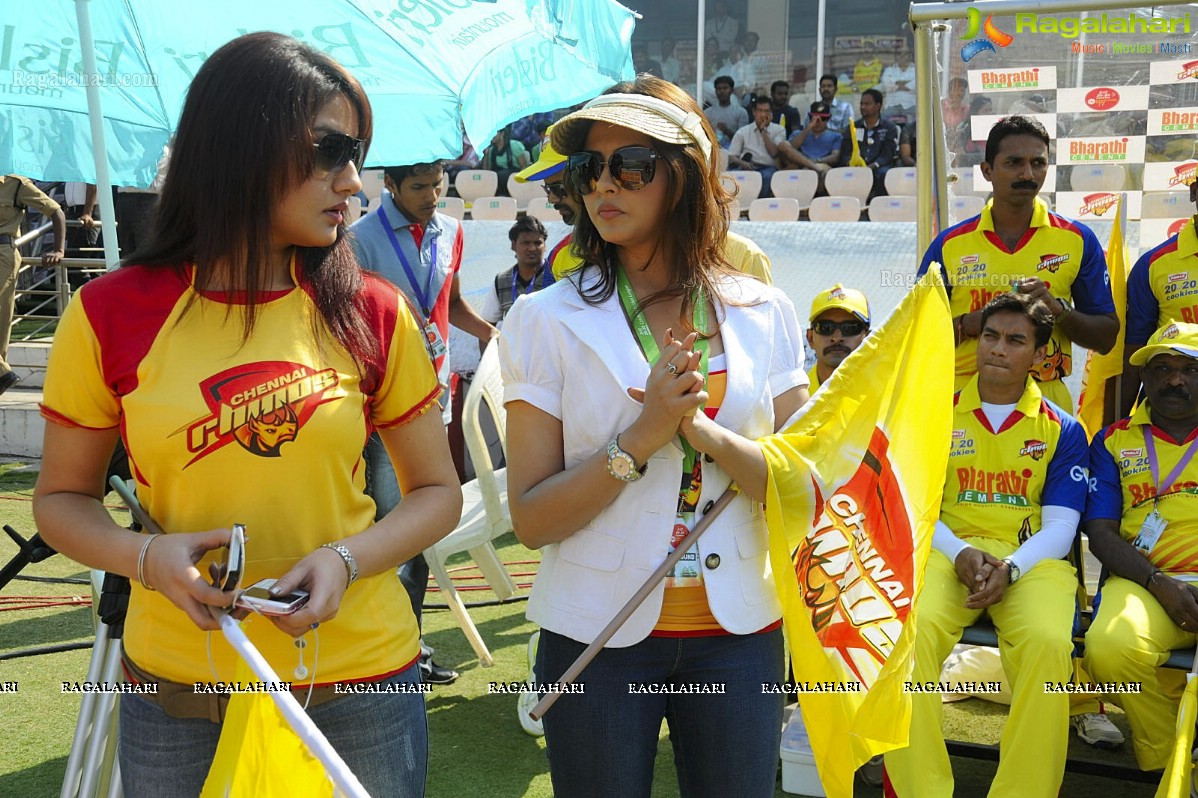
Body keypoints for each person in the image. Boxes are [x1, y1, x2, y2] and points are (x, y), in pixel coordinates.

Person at [31, 33, 462, 798]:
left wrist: (347, 560)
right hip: (175, 685)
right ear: (242, 146)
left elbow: (437, 493)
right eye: (331, 151)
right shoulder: (109, 315)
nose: (354, 182)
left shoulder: (374, 312)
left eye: (358, 153)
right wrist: (143, 560)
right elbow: (63, 499)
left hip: (360, 677)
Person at [502, 74, 809, 797]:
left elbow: (805, 482)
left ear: (687, 178)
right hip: (595, 632)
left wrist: (704, 434)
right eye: (589, 169)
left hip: (739, 632)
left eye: (631, 164)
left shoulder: (766, 310)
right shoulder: (543, 319)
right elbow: (532, 520)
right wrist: (639, 441)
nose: (605, 183)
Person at [884, 292, 1088, 798]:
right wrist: (959, 553)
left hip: (1030, 561)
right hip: (941, 548)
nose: (998, 348)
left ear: (1040, 357)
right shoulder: (936, 411)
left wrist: (1011, 568)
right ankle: (921, 790)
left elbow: (1061, 528)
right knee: (907, 638)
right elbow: (914, 505)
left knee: (1047, 644)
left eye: (1016, 340)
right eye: (990, 336)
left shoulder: (1063, 429)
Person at [350, 159, 498, 684]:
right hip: (387, 410)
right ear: (389, 185)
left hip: (437, 399)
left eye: (439, 184)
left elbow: (449, 302)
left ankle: (406, 648)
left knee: (421, 533)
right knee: (397, 532)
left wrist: (488, 334)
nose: (433, 195)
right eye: (419, 186)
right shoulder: (359, 240)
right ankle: (395, 655)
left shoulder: (451, 231)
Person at [916, 115, 1118, 409]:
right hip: (961, 402)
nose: (1028, 174)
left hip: (1045, 403)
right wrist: (970, 323)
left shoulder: (1077, 240)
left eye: (1038, 163)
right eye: (1014, 163)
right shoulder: (949, 245)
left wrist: (1057, 309)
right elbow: (916, 337)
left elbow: (1106, 338)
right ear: (987, 170)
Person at [1084, 321, 1198, 771]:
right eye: (1162, 368)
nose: (1175, 380)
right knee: (1110, 650)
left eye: (1189, 369)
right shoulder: (1113, 440)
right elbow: (1101, 531)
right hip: (1147, 584)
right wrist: (1158, 583)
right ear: (1144, 379)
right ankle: (1171, 757)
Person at [1121, 177, 1198, 415]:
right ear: (1194, 192)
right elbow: (1134, 349)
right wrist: (1117, 423)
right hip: (1174, 403)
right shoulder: (1153, 265)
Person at [0, 173, 65, 395]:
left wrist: (58, 250)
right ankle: (2, 373)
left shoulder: (15, 184)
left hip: (3, 253)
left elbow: (56, 211)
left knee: (2, 317)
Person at [480, 216, 553, 326]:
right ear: (513, 245)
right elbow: (488, 325)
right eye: (526, 243)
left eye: (537, 243)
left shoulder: (555, 276)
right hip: (513, 343)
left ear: (545, 246)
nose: (532, 248)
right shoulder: (501, 280)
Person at [837, 88, 899, 199]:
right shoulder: (853, 127)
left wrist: (871, 166)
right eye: (861, 104)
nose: (863, 107)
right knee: (840, 173)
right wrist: (851, 164)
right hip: (855, 167)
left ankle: (878, 207)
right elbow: (846, 152)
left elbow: (887, 155)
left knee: (884, 174)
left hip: (877, 167)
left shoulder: (889, 127)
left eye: (867, 104)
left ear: (878, 106)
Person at [805, 284, 870, 390]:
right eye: (825, 327)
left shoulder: (887, 395)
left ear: (868, 339)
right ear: (810, 338)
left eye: (850, 328)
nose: (837, 337)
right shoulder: (793, 400)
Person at [778, 101, 843, 194]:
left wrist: (816, 161)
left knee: (813, 171)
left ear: (828, 118)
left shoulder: (835, 136)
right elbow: (788, 149)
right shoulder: (799, 134)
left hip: (822, 165)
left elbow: (835, 156)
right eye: (814, 118)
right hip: (802, 166)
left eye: (823, 118)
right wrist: (809, 128)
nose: (818, 122)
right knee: (783, 145)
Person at [728, 96, 785, 196]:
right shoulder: (743, 131)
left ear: (771, 113)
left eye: (766, 111)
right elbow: (732, 156)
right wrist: (743, 163)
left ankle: (761, 207)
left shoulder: (779, 130)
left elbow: (774, 152)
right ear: (754, 112)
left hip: (768, 167)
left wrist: (763, 131)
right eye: (760, 111)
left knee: (766, 176)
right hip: (748, 166)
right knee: (731, 176)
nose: (763, 114)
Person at [481, 126, 530, 195]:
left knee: (501, 175)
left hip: (513, 175)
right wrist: (485, 155)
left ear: (502, 134)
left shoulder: (514, 145)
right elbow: (486, 172)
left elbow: (523, 166)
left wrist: (519, 183)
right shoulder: (491, 150)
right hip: (497, 179)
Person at [704, 76, 749, 149]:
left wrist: (727, 131)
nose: (722, 91)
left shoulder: (741, 112)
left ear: (731, 90)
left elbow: (744, 139)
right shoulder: (707, 113)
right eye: (719, 89)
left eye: (725, 88)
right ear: (715, 91)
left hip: (735, 153)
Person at [880, 49, 916, 120]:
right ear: (896, 56)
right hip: (892, 105)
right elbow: (886, 85)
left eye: (905, 54)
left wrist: (895, 84)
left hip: (911, 105)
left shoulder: (917, 70)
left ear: (910, 56)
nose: (902, 56)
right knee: (882, 121)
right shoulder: (889, 70)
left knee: (919, 123)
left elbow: (917, 86)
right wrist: (908, 83)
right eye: (899, 54)